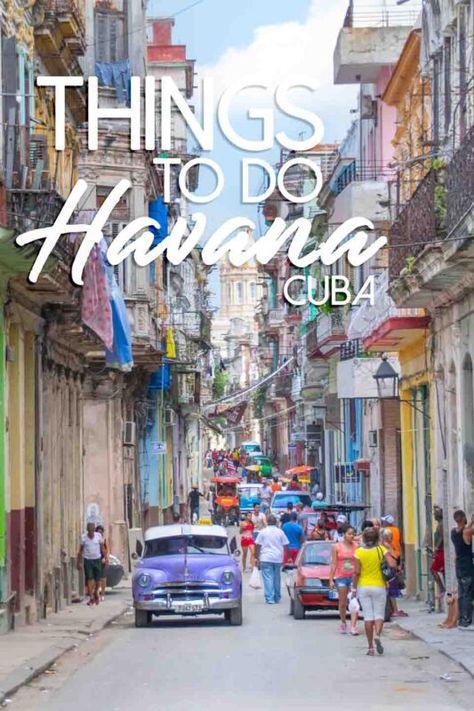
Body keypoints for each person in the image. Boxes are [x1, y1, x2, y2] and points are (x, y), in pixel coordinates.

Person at [351, 526, 397, 656]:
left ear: (364, 539)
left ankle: (370, 647)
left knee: (368, 616)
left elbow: (356, 572)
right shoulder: (381, 549)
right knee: (379, 615)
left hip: (363, 587)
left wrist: (354, 589)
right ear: (377, 538)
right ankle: (377, 635)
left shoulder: (359, 552)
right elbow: (393, 565)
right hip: (379, 586)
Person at [329, 524, 359, 635]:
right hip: (341, 577)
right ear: (344, 534)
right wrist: (331, 579)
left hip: (353, 577)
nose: (352, 536)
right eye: (349, 534)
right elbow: (333, 563)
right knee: (342, 602)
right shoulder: (336, 547)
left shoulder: (356, 546)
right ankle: (343, 622)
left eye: (353, 534)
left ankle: (353, 626)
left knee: (354, 601)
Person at [254, 514, 289, 604]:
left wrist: (256, 557)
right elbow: (286, 545)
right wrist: (287, 557)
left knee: (268, 578)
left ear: (267, 522)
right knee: (277, 577)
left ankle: (270, 598)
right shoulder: (280, 532)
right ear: (276, 522)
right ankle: (277, 597)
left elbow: (257, 545)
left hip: (265, 558)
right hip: (277, 558)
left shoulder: (263, 531)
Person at [450, 510, 474, 630]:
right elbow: (468, 531)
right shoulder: (467, 532)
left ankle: (460, 620)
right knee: (468, 593)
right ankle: (466, 621)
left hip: (459, 566)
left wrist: (471, 522)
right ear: (464, 518)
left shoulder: (453, 532)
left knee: (461, 593)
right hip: (467, 567)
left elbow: (465, 529)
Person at [77, 522, 106, 606]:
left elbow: (102, 548)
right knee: (90, 579)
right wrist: (78, 562)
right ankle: (91, 597)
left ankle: (96, 592)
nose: (91, 532)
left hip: (97, 559)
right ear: (87, 530)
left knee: (97, 581)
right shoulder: (84, 538)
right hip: (88, 560)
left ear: (94, 530)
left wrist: (106, 558)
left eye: (92, 530)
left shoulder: (98, 536)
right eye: (89, 531)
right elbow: (80, 551)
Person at [381, 528, 407, 618]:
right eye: (390, 536)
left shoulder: (386, 544)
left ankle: (393, 609)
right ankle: (395, 610)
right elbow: (394, 556)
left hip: (388, 570)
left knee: (391, 590)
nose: (391, 538)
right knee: (392, 590)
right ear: (385, 537)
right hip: (389, 571)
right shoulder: (386, 545)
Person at [430, 505, 445, 596]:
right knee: (441, 570)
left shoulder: (441, 525)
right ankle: (444, 588)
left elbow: (441, 538)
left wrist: (436, 548)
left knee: (433, 569)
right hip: (439, 550)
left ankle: (442, 588)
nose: (434, 515)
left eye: (435, 514)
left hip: (441, 551)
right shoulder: (440, 524)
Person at [95, 525, 109, 601]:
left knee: (103, 578)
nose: (99, 534)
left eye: (101, 532)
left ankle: (103, 594)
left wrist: (105, 559)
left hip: (102, 560)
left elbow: (106, 550)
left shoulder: (104, 540)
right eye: (98, 532)